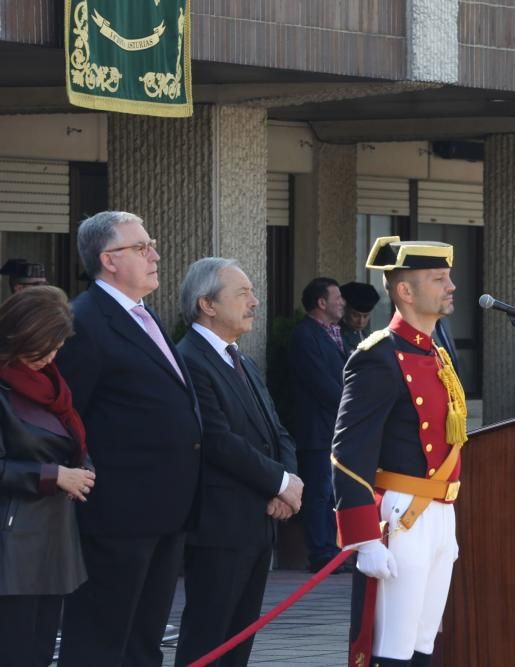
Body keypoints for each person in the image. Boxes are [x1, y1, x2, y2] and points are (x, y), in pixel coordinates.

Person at [56, 211, 202, 667]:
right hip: (114, 517)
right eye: (141, 248)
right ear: (109, 260)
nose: (155, 255)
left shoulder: (144, 315)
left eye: (151, 244)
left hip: (164, 512)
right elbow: (66, 418)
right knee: (101, 640)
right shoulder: (84, 321)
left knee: (144, 641)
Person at [332, 236, 466, 667]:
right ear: (405, 291)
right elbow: (347, 452)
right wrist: (363, 538)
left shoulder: (438, 354)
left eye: (448, 277)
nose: (451, 287)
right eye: (439, 279)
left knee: (423, 645)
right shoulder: (378, 356)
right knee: (391, 651)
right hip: (401, 516)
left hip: (438, 513)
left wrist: (445, 524)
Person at [173, 258, 302, 667]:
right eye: (242, 293)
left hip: (258, 519)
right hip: (219, 524)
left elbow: (276, 428)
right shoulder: (189, 359)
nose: (255, 302)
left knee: (239, 637)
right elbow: (216, 439)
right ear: (207, 304)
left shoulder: (240, 359)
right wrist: (279, 483)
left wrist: (287, 482)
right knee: (209, 635)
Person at [0, 286, 93, 667]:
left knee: (38, 650)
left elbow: (69, 441)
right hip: (12, 544)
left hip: (52, 538)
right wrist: (53, 475)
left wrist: (82, 467)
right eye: (43, 346)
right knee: (16, 650)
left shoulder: (53, 383)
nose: (51, 355)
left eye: (57, 346)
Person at [288, 277, 348, 572]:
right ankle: (321, 552)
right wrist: (351, 406)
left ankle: (334, 548)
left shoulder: (337, 333)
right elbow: (320, 383)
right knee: (319, 492)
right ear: (321, 303)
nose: (342, 303)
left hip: (335, 430)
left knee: (332, 493)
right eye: (337, 298)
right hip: (317, 430)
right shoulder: (305, 336)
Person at [340, 281, 380, 354]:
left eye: (365, 316)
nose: (361, 321)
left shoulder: (368, 334)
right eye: (355, 315)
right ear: (345, 310)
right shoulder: (338, 335)